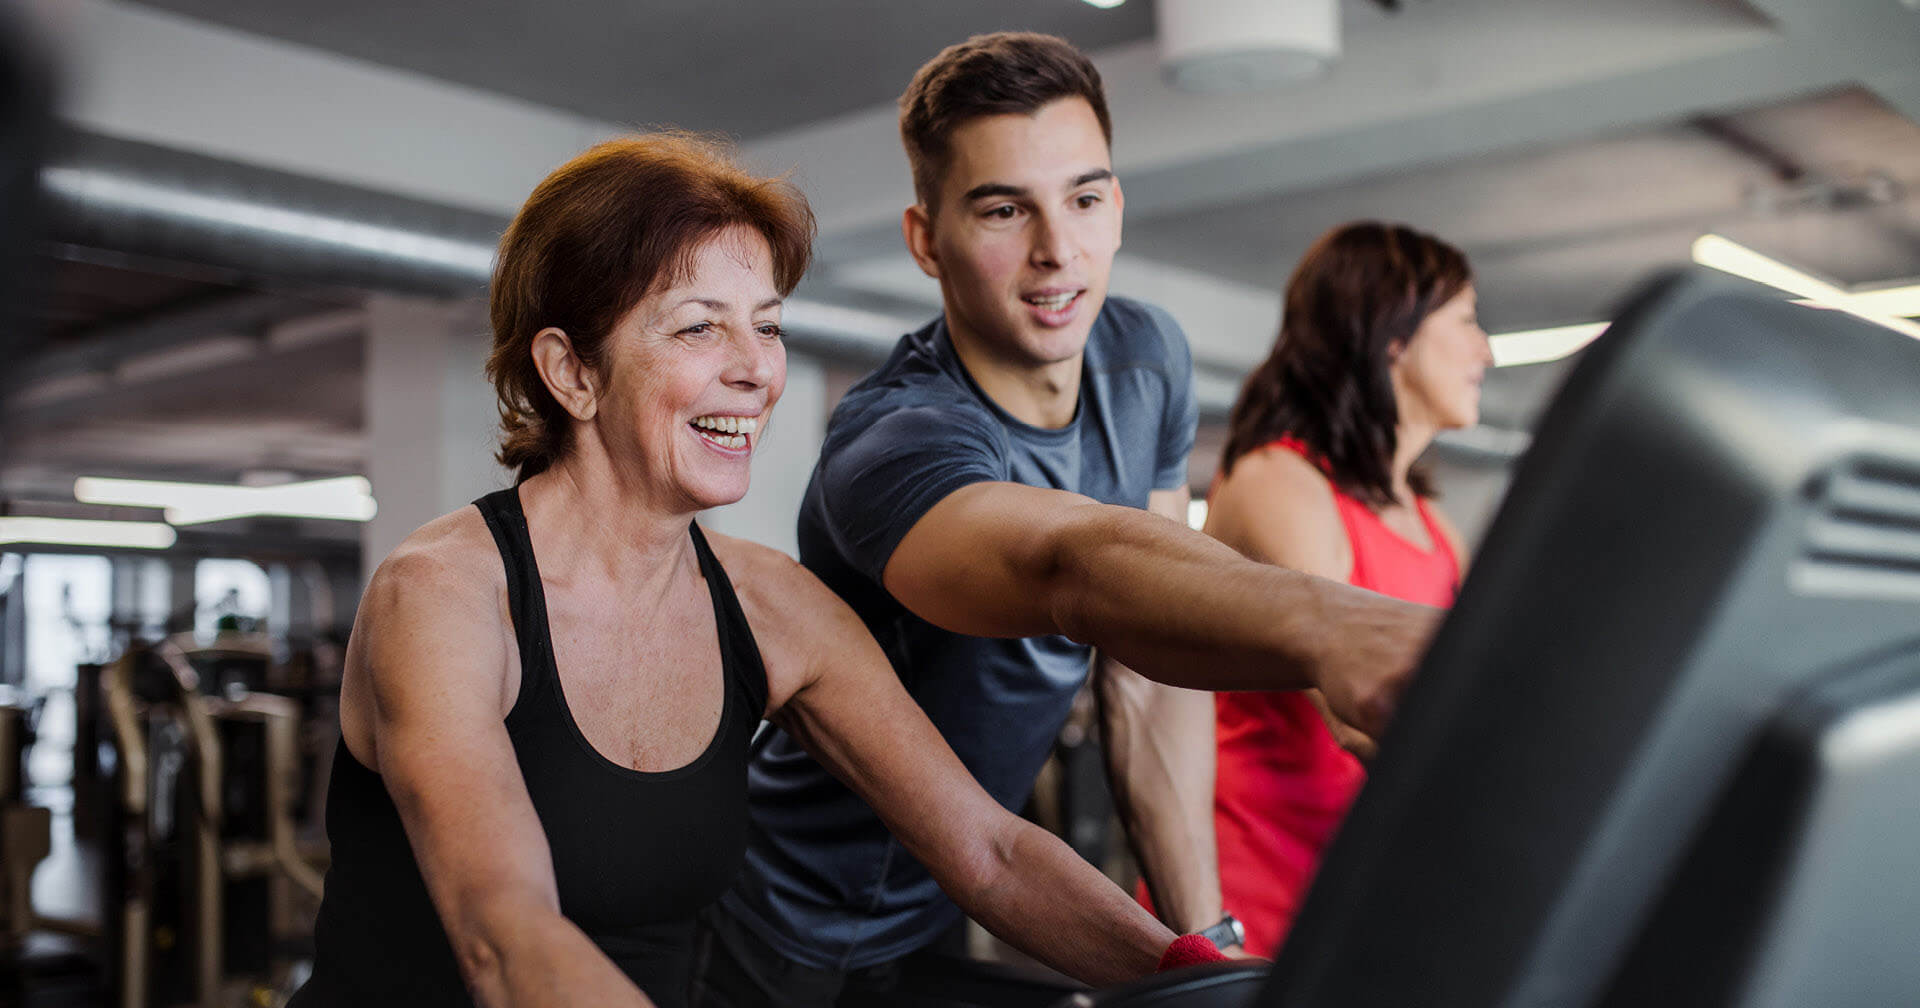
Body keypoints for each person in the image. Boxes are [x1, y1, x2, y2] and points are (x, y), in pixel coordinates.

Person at [289, 133, 1223, 1008]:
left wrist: (1207, 976)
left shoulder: (772, 606)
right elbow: (506, 934)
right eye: (700, 329)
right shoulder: (444, 596)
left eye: (767, 327)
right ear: (571, 372)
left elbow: (991, 853)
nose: (756, 372)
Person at [697, 34, 1440, 1006]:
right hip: (773, 922)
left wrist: (1206, 946)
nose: (1058, 250)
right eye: (1005, 210)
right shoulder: (898, 443)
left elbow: (1146, 668)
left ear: (1117, 208)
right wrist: (1331, 623)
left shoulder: (1147, 360)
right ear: (927, 240)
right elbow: (1072, 569)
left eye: (1085, 199)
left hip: (957, 901)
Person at [1204, 221, 1489, 956]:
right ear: (1392, 336)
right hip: (1263, 906)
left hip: (1374, 901)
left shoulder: (1433, 527)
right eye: (1465, 321)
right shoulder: (1280, 483)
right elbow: (1361, 710)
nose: (1484, 351)